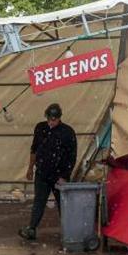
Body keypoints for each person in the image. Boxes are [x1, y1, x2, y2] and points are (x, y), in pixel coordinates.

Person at [19, 103, 77, 241]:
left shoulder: (67, 132)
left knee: (63, 204)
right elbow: (34, 149)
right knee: (39, 202)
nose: (51, 122)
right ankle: (32, 228)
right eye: (49, 119)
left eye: (54, 119)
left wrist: (64, 175)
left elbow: (72, 156)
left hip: (59, 175)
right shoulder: (40, 128)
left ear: (59, 118)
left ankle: (70, 231)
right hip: (42, 173)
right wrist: (30, 168)